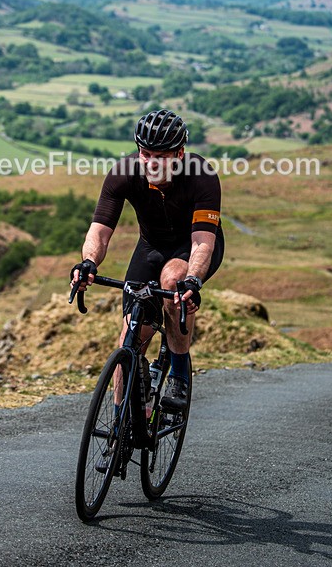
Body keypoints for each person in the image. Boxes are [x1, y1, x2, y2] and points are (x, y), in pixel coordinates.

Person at [70, 108, 224, 411]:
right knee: (129, 338)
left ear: (179, 153)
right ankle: (119, 425)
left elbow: (203, 241)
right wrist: (88, 262)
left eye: (161, 156)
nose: (151, 163)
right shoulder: (124, 173)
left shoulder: (201, 176)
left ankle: (179, 374)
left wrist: (193, 279)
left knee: (173, 282)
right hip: (150, 248)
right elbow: (99, 232)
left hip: (190, 249)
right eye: (145, 153)